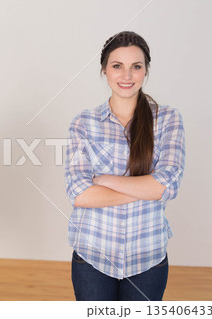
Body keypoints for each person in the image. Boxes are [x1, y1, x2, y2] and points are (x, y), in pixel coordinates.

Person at [64, 31, 185, 301]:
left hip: (148, 259)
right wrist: (148, 188)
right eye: (117, 66)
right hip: (92, 257)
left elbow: (168, 184)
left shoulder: (167, 119)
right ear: (105, 70)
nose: (126, 76)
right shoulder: (83, 123)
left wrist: (103, 179)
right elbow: (79, 193)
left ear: (146, 71)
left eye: (136, 67)